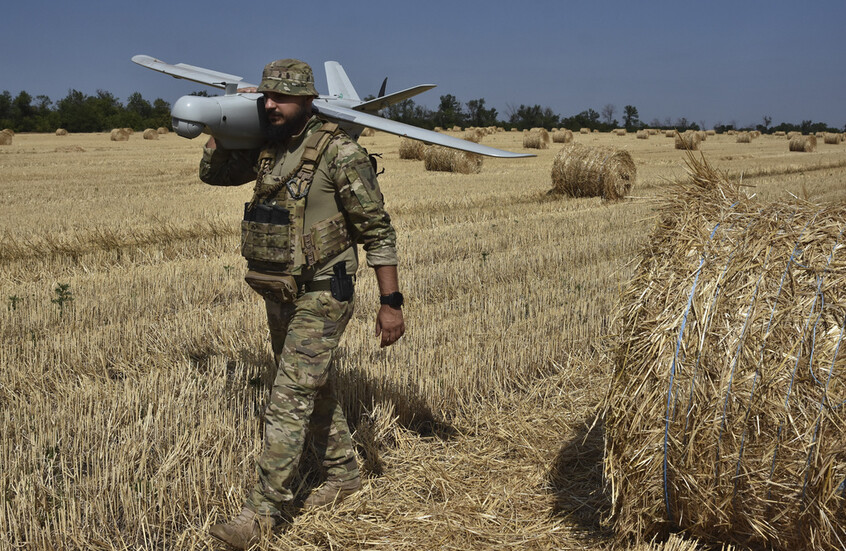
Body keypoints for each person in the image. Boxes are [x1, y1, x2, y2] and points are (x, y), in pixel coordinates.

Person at [200, 58, 405, 549]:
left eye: (281, 98)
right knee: (312, 386)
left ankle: (261, 514)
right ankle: (342, 474)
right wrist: (216, 128)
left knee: (288, 396)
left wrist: (391, 302)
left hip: (324, 291)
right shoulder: (269, 148)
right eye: (266, 96)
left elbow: (377, 231)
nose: (270, 105)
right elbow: (214, 174)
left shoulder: (342, 154)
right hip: (280, 287)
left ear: (308, 100)